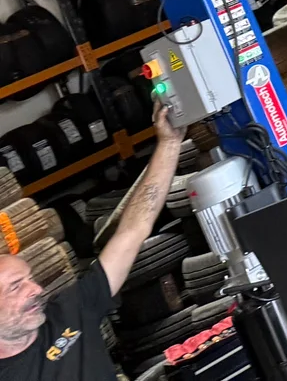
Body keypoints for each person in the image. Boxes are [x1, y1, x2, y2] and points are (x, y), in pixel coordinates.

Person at [0, 104, 186, 381]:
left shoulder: (70, 311)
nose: (36, 289)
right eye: (16, 286)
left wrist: (169, 143)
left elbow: (133, 230)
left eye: (30, 279)